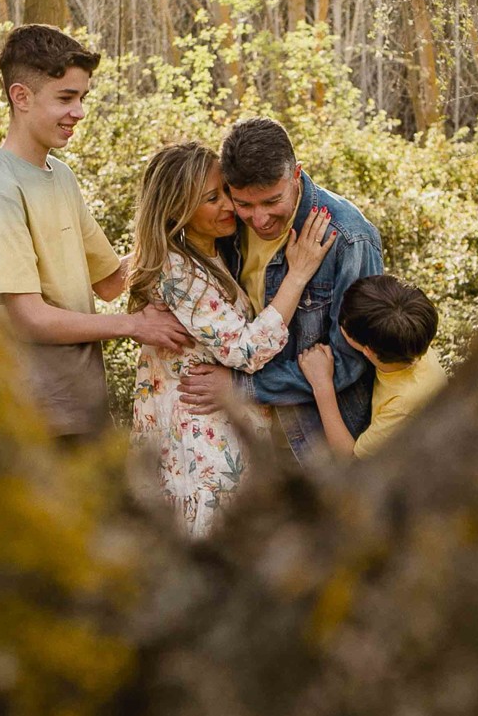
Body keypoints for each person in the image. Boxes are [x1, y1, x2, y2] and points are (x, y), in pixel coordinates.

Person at [0, 24, 190, 439]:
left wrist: (174, 227)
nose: (79, 112)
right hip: (34, 422)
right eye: (66, 98)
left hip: (85, 412)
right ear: (21, 97)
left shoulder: (61, 176)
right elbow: (29, 318)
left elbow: (108, 281)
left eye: (82, 98)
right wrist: (135, 324)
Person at [127, 142, 338, 536]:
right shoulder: (179, 272)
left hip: (221, 429)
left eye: (226, 190)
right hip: (200, 438)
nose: (230, 205)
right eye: (212, 198)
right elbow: (246, 350)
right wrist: (299, 273)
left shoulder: (209, 254)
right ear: (177, 210)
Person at [179, 117, 384, 457]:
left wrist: (240, 386)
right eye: (244, 204)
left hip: (317, 437)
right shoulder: (226, 225)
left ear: (296, 175)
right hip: (243, 433)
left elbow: (350, 362)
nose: (259, 220)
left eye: (272, 201)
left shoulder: (349, 239)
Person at [299, 274, 446, 458]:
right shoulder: (412, 336)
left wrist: (322, 385)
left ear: (368, 351)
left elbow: (352, 459)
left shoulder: (403, 404)